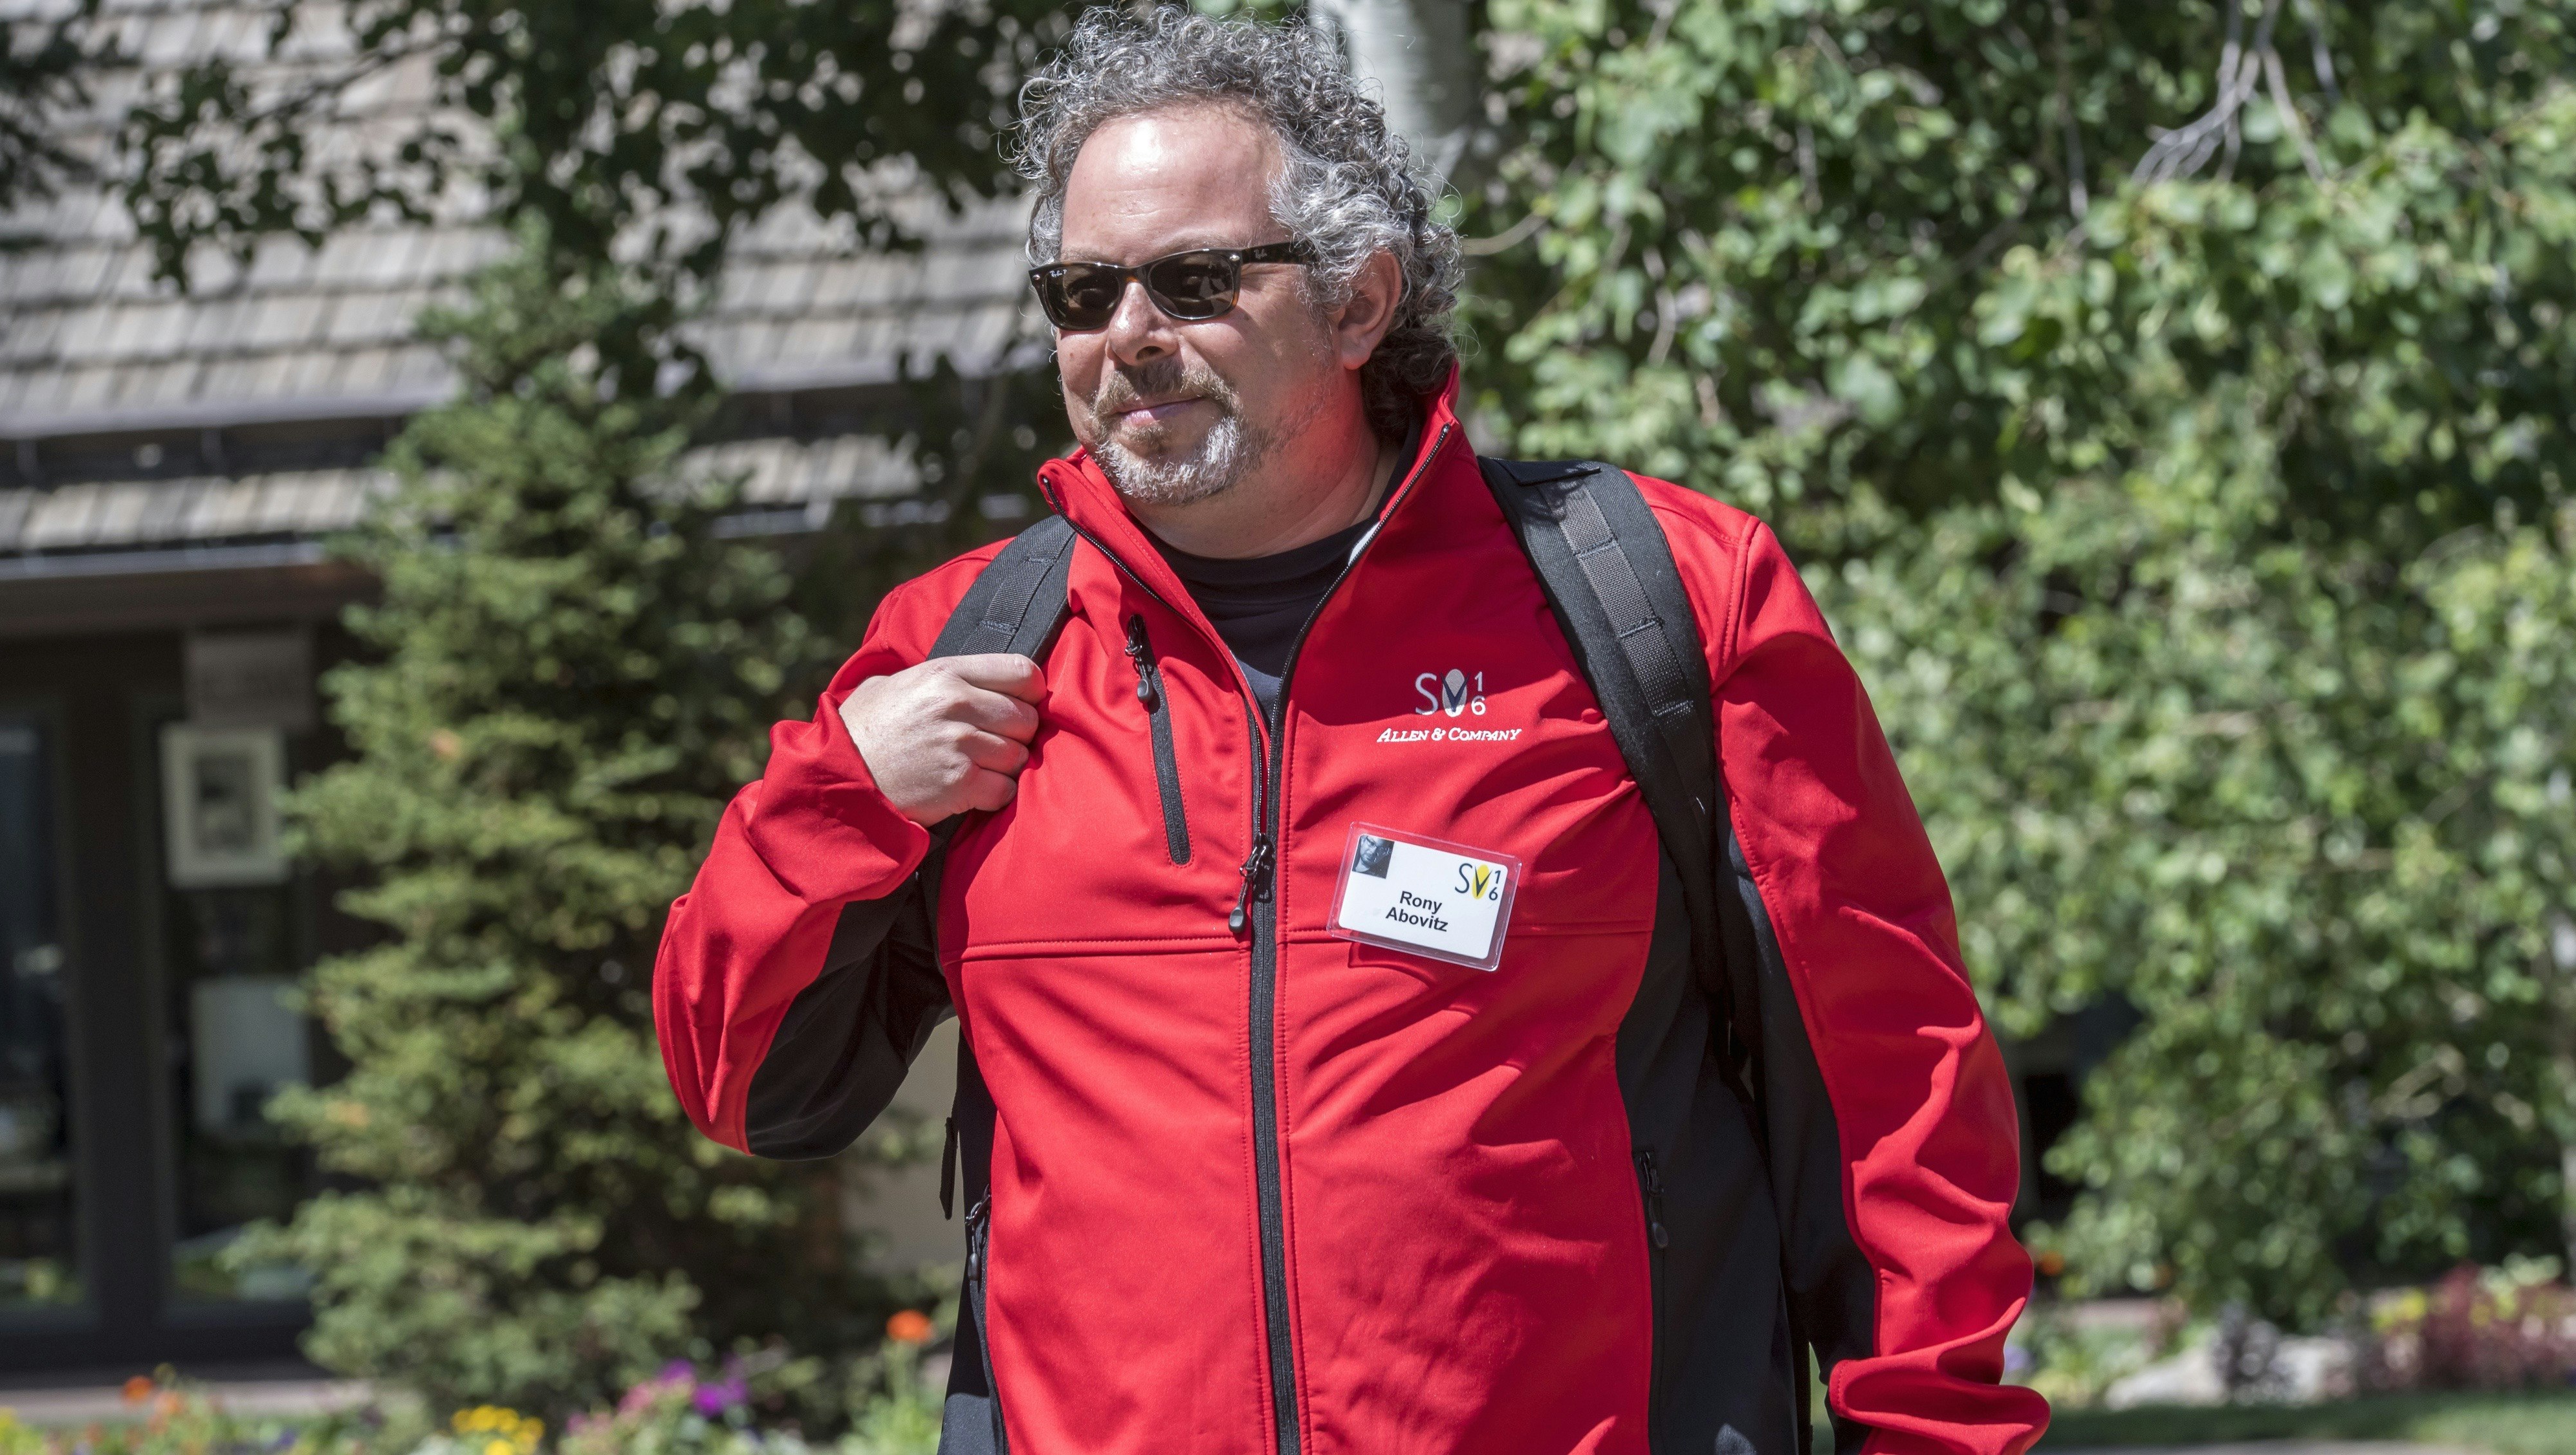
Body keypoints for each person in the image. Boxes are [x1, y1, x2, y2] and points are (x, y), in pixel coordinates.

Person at [655, 10, 2048, 1454]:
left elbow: (1896, 1099)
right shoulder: (970, 648)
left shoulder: (1662, 600)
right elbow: (740, 1081)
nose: (1127, 336)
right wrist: (838, 798)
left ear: (1356, 300)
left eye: (1193, 281)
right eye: (1080, 293)